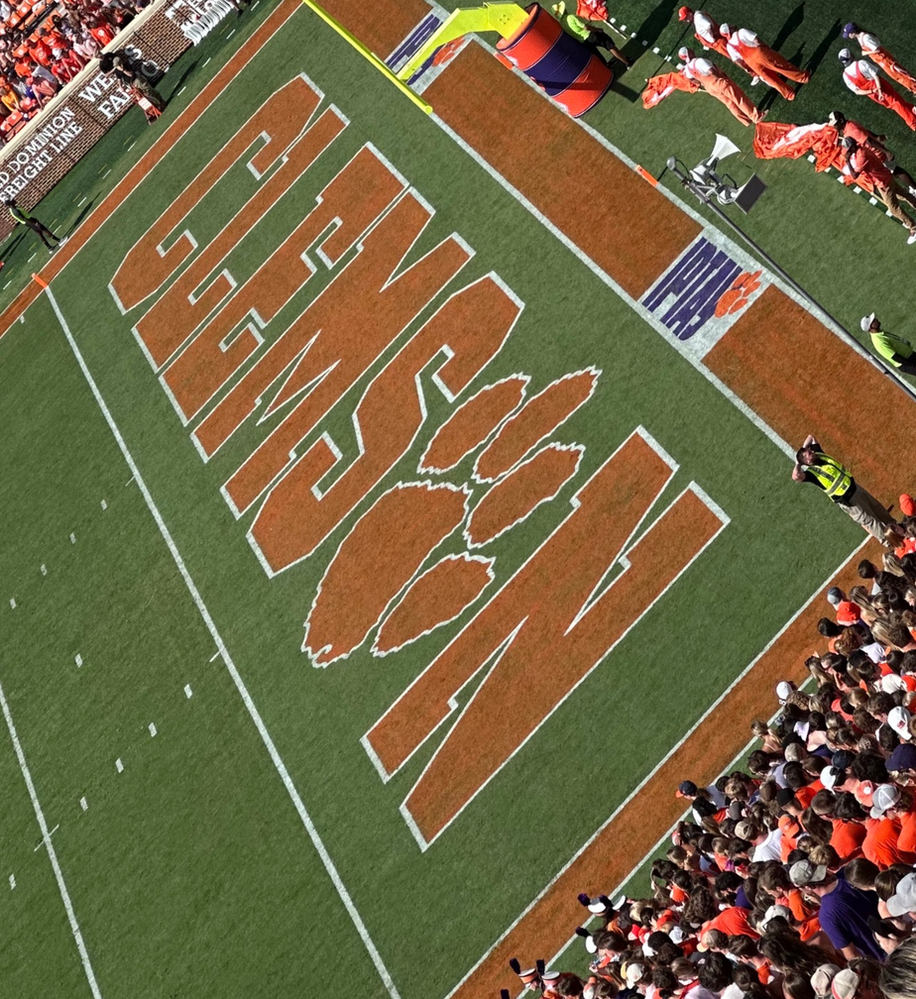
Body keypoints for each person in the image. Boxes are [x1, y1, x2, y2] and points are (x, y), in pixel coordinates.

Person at [792, 435, 897, 545]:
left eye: (810, 450)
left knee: (877, 507)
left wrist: (804, 449)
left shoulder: (820, 454)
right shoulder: (811, 474)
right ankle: (891, 543)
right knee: (871, 522)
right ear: (806, 461)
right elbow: (795, 476)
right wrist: (798, 462)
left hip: (856, 488)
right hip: (850, 502)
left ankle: (896, 527)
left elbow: (811, 437)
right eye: (809, 453)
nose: (811, 451)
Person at [842, 136, 916, 244]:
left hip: (883, 183)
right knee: (904, 195)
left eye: (848, 150)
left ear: (852, 148)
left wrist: (847, 161)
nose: (847, 153)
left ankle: (913, 228)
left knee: (893, 209)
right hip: (886, 177)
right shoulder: (862, 150)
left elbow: (854, 175)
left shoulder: (861, 157)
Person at [828, 110, 916, 194]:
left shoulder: (851, 130)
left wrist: (886, 152)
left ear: (841, 121)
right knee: (893, 171)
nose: (834, 126)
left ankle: (915, 188)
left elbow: (868, 141)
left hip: (877, 154)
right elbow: (866, 132)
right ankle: (913, 188)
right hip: (874, 154)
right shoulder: (850, 125)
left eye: (835, 124)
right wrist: (876, 136)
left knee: (896, 171)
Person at [719, 22, 810, 100]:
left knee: (770, 78)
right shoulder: (741, 32)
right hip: (759, 53)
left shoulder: (729, 46)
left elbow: (738, 61)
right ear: (730, 29)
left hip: (750, 63)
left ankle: (789, 94)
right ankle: (802, 77)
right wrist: (765, 48)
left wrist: (749, 69)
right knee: (780, 65)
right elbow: (756, 41)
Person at [677, 47, 762, 126]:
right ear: (689, 53)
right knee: (738, 98)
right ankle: (756, 116)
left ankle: (746, 121)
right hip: (718, 82)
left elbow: (691, 79)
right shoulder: (699, 61)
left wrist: (701, 83)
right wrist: (721, 78)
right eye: (689, 50)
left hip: (710, 88)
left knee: (730, 104)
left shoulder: (687, 69)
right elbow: (711, 71)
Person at [838, 49, 916, 131]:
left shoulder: (845, 75)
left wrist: (872, 92)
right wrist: (879, 90)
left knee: (895, 104)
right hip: (881, 88)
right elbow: (875, 76)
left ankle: (914, 111)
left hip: (873, 95)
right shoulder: (861, 63)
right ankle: (913, 124)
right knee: (897, 105)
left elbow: (857, 91)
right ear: (851, 56)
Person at [843, 23, 916, 96]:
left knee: (900, 75)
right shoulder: (860, 38)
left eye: (848, 34)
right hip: (881, 61)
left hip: (885, 60)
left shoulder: (865, 38)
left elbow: (877, 49)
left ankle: (914, 87)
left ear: (853, 32)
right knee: (896, 76)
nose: (848, 36)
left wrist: (865, 52)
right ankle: (911, 86)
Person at [551, 2, 631, 67]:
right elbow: (585, 27)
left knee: (598, 57)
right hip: (591, 35)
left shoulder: (562, 24)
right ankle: (626, 62)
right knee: (610, 46)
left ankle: (608, 68)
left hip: (584, 42)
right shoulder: (570, 17)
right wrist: (597, 29)